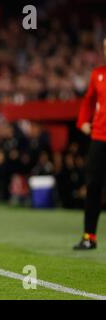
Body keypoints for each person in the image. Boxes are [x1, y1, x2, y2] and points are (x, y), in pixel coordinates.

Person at [73, 37, 106, 250]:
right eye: (105, 47)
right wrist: (83, 121)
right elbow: (88, 100)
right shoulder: (98, 74)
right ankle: (89, 236)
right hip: (100, 137)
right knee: (93, 185)